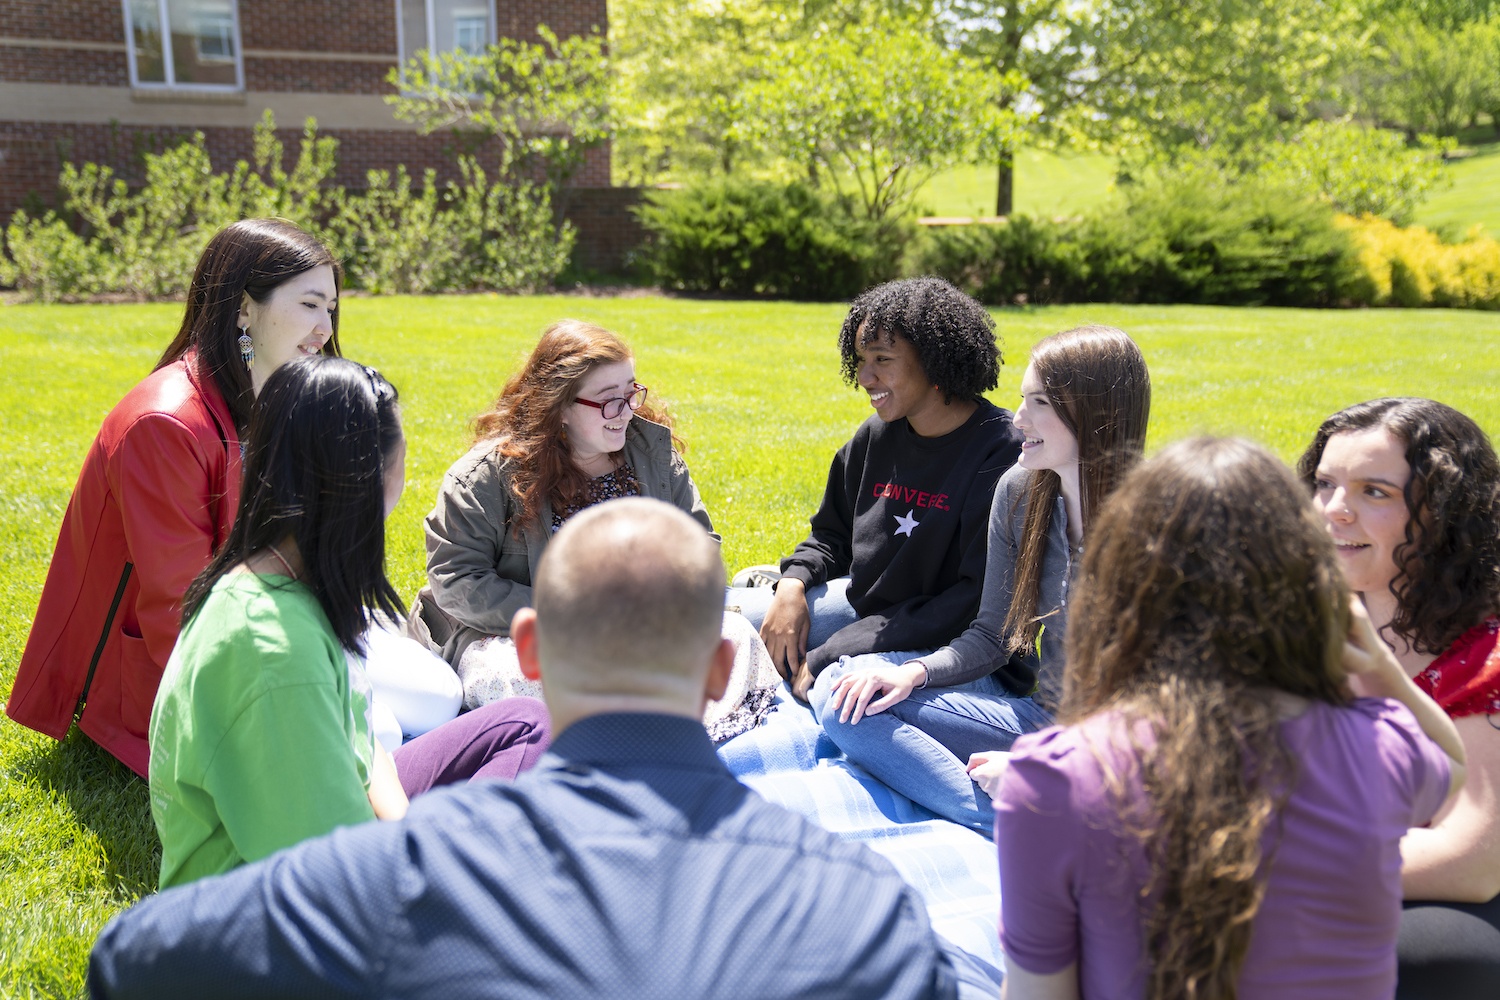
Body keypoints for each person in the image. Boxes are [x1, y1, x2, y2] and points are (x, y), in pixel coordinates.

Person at [89, 498, 971, 1000]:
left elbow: (129, 963)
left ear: (528, 652)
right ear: (718, 671)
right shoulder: (866, 913)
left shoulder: (391, 882)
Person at [995, 437, 1465, 1000]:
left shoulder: (1053, 782)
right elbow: (1452, 771)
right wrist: (1378, 663)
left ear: (1120, 587)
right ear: (1308, 585)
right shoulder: (1379, 747)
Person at [149, 356, 549, 890]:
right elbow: (334, 883)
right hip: (276, 924)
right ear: (369, 481)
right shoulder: (275, 651)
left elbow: (362, 745)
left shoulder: (283, 583)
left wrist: (409, 827)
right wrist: (437, 865)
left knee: (523, 721)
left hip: (347, 831)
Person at [6, 218, 344, 776]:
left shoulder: (270, 390)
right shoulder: (164, 425)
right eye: (310, 305)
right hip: (152, 686)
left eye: (330, 308)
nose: (325, 328)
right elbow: (179, 604)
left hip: (256, 633)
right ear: (242, 308)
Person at [811, 326, 1149, 831]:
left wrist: (1046, 767)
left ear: (1093, 412)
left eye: (1039, 403)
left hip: (1117, 749)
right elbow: (993, 636)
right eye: (1022, 399)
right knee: (847, 695)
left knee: (847, 701)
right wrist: (912, 674)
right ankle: (1005, 818)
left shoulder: (1160, 524)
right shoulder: (1020, 491)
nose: (1019, 419)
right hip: (1038, 720)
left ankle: (1025, 815)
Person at [735, 276, 1024, 702]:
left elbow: (971, 603)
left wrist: (834, 651)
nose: (865, 377)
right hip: (868, 613)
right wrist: (792, 585)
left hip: (949, 649)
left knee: (841, 694)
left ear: (934, 360)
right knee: (726, 623)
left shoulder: (1000, 453)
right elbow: (831, 535)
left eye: (882, 359)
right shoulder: (876, 435)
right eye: (860, 360)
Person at [1300, 398, 1500, 998]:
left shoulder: (1485, 655)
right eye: (1325, 484)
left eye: (1374, 493)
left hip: (1460, 890)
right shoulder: (1309, 619)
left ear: (1444, 514)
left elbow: (1473, 860)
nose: (1334, 510)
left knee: (1427, 952)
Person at [421, 319, 718, 708]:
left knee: (734, 641)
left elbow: (700, 548)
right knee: (538, 688)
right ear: (559, 406)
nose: (626, 412)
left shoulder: (653, 455)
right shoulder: (485, 477)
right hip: (525, 635)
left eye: (632, 393)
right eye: (609, 399)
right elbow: (456, 580)